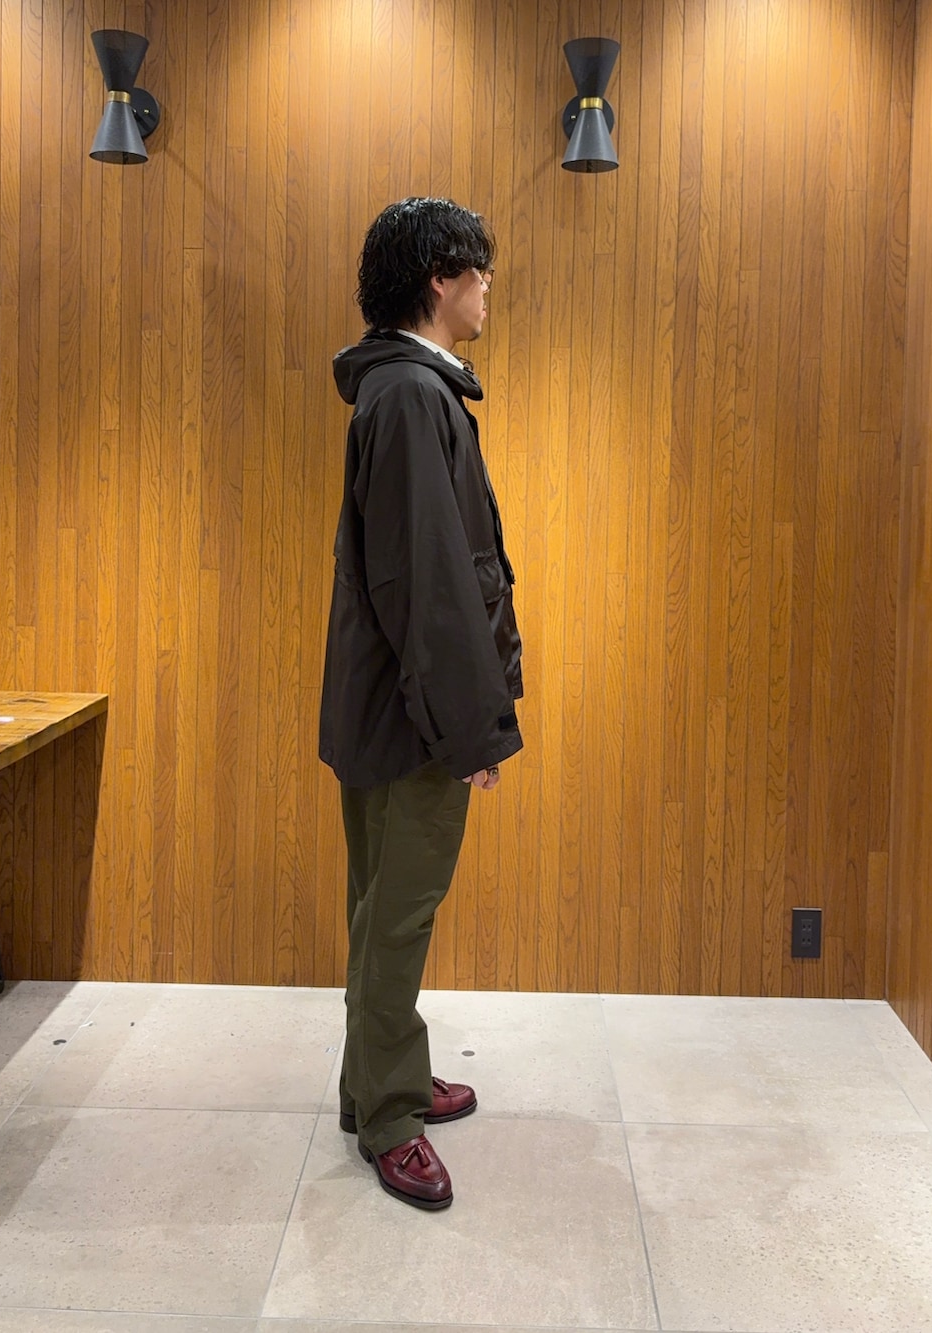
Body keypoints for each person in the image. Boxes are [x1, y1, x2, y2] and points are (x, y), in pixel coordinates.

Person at [319, 197, 523, 1211]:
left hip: (391, 707)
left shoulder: (406, 389)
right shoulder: (408, 396)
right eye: (479, 271)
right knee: (398, 915)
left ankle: (375, 1078)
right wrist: (467, 727)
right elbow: (428, 585)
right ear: (440, 279)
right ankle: (390, 1117)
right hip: (411, 721)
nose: (489, 289)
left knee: (382, 909)